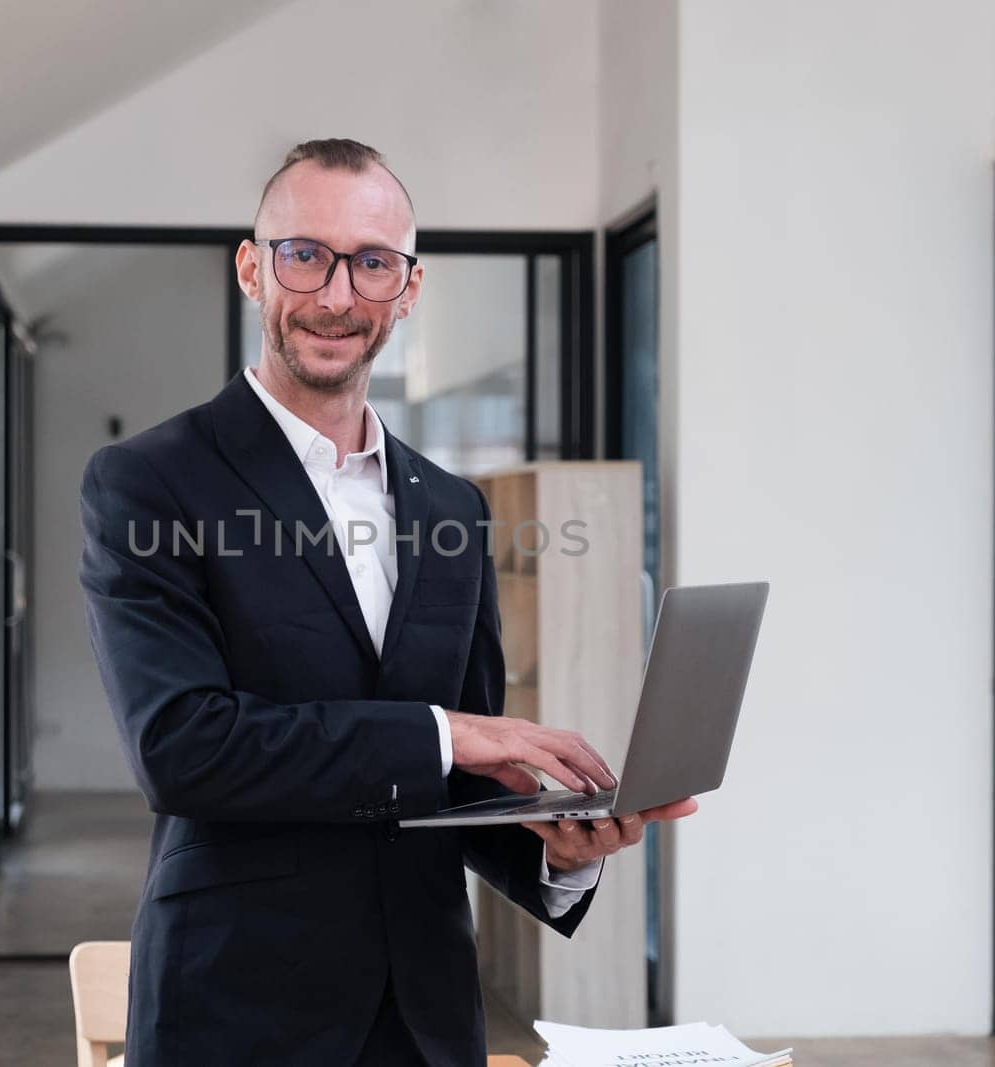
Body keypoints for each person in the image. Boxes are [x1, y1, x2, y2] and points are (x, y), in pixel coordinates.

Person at [77, 138, 697, 1066]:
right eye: (305, 255)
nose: (336, 295)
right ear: (252, 268)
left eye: (372, 263)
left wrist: (559, 855)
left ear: (407, 290)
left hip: (426, 1019)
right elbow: (183, 748)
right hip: (233, 1011)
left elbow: (457, 776)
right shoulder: (150, 482)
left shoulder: (451, 507)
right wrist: (448, 732)